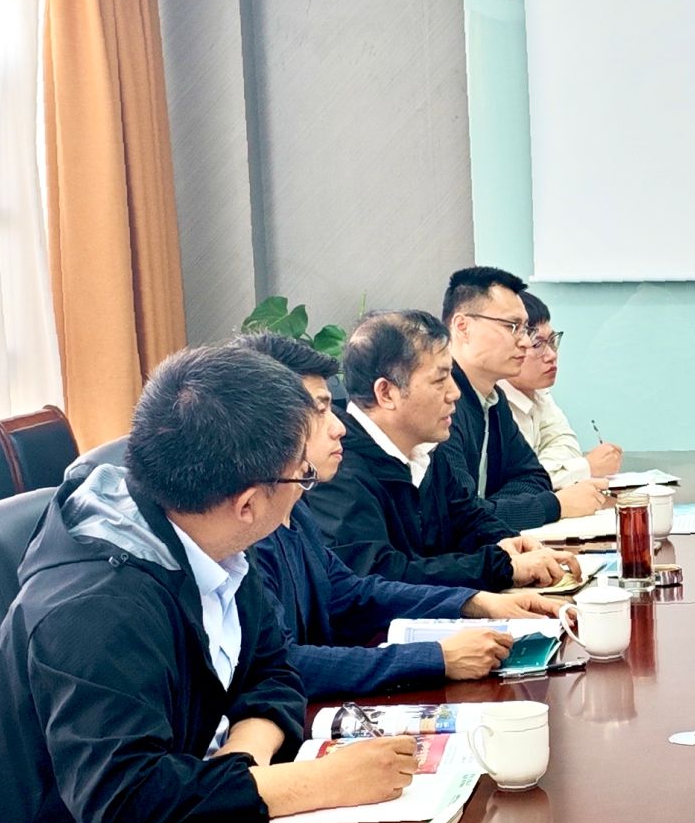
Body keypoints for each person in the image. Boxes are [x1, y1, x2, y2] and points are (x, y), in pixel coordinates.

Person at [0, 346, 422, 823]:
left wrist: (243, 760)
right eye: (301, 477)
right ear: (247, 504)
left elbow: (270, 667)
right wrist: (320, 783)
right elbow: (122, 802)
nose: (304, 492)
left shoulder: (211, 544)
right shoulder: (95, 610)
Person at [236, 333, 570, 698]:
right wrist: (435, 658)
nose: (338, 426)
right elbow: (279, 662)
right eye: (319, 411)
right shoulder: (247, 531)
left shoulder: (294, 509)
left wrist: (475, 602)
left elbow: (352, 591)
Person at [308, 310, 576, 592]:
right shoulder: (338, 469)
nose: (454, 393)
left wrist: (507, 543)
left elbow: (467, 518)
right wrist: (502, 567)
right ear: (386, 393)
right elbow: (381, 576)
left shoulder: (426, 452)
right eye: (440, 380)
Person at [439, 267, 613, 532]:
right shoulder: (440, 403)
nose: (524, 342)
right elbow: (460, 519)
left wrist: (489, 509)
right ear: (463, 327)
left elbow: (534, 477)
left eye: (524, 329)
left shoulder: (493, 400)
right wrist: (555, 505)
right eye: (512, 327)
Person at [502, 291, 622, 489]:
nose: (551, 355)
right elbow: (514, 484)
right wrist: (586, 467)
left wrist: (544, 470)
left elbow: (565, 442)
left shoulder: (539, 392)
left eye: (552, 341)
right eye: (537, 344)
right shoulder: (493, 402)